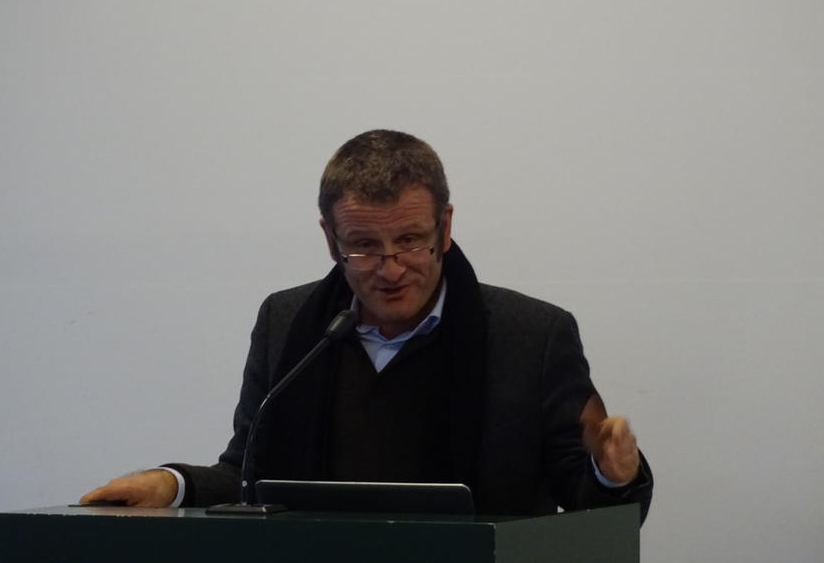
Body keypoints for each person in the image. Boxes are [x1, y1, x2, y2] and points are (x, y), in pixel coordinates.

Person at [81, 129, 653, 521]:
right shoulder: (288, 323)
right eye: (363, 246)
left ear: (445, 227)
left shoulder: (532, 336)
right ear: (330, 239)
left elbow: (588, 504)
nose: (391, 268)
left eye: (410, 240)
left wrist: (611, 473)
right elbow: (250, 476)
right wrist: (172, 485)